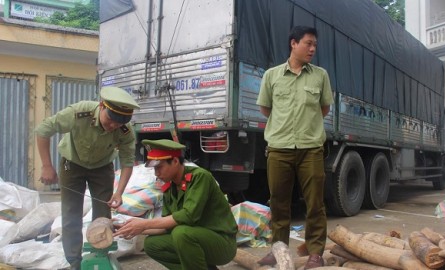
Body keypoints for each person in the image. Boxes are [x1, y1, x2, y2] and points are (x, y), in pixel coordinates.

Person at [35, 86, 140, 269]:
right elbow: (43, 130)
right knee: (71, 215)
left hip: (102, 168)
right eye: (111, 119)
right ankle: (75, 263)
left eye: (119, 123)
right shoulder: (79, 112)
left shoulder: (125, 131)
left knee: (103, 216)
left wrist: (119, 193)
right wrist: (46, 166)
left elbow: (127, 162)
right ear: (102, 106)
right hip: (72, 165)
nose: (113, 126)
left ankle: (100, 257)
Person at [256, 25, 334, 269]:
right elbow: (266, 109)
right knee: (278, 202)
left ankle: (314, 253)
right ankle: (277, 249)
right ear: (293, 43)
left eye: (314, 45)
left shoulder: (320, 75)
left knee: (315, 203)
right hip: (279, 148)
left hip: (311, 149)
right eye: (308, 43)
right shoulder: (272, 76)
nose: (312, 49)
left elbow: (324, 109)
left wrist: (306, 127)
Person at [113, 139, 238, 270]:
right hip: (196, 239)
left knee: (181, 233)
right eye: (154, 168)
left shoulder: (200, 177)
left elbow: (188, 216)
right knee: (152, 244)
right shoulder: (170, 187)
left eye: (159, 167)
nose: (156, 173)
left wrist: (144, 224)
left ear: (175, 161)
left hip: (222, 243)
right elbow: (166, 226)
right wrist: (129, 227)